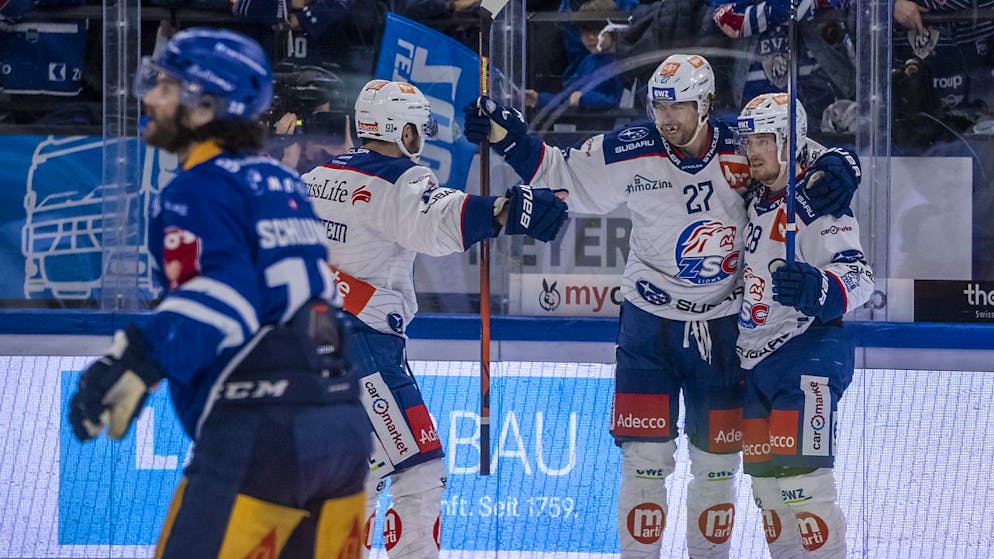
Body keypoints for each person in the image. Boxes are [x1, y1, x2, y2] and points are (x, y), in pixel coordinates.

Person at [463, 53, 860, 558]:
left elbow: (794, 155)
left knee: (717, 465)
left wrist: (843, 162)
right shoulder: (631, 148)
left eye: (682, 106)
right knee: (645, 461)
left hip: (722, 331)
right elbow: (559, 171)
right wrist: (509, 140)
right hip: (648, 327)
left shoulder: (742, 150)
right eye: (660, 106)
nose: (668, 117)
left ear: (707, 104)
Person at [67, 28, 370, 558]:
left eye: (165, 84)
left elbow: (225, 296)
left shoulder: (196, 188)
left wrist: (135, 357)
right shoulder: (286, 185)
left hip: (263, 434)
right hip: (343, 426)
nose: (150, 96)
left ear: (204, 105)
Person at [301, 79, 569, 558]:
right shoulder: (399, 179)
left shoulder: (317, 174)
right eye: (417, 127)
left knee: (363, 468)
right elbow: (436, 220)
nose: (420, 136)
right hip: (360, 344)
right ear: (401, 130)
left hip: (306, 343)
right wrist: (509, 211)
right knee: (419, 468)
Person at [735, 92, 872, 558]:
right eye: (748, 139)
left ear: (789, 141)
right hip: (753, 361)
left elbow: (860, 276)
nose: (752, 149)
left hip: (806, 350)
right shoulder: (752, 194)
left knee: (805, 488)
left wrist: (818, 288)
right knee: (770, 498)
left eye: (764, 140)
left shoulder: (817, 200)